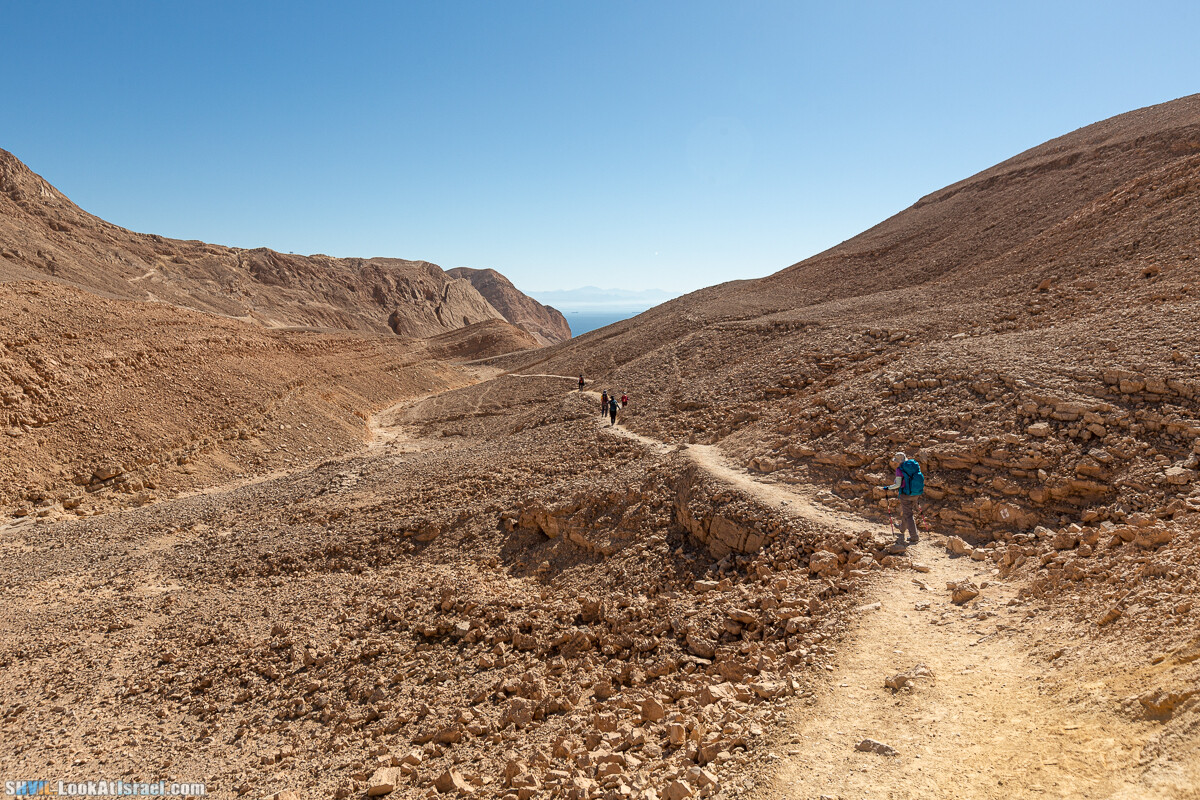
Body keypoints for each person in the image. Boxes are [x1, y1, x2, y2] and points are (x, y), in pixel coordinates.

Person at [883, 452, 924, 544]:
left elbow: (897, 484)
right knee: (907, 513)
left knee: (908, 514)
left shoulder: (900, 469)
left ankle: (914, 536)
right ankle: (902, 528)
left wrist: (888, 488)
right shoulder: (913, 466)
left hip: (906, 495)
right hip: (916, 493)